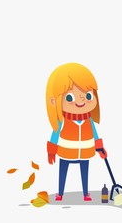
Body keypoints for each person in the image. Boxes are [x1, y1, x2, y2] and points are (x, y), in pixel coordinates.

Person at [46, 63, 107, 201]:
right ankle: (60, 193)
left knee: (85, 172)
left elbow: (94, 134)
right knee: (63, 172)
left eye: (89, 96)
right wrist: (51, 150)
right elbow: (55, 133)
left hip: (85, 152)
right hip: (66, 152)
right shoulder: (63, 120)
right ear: (55, 101)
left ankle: (85, 193)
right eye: (69, 98)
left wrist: (100, 148)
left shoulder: (88, 120)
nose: (82, 100)